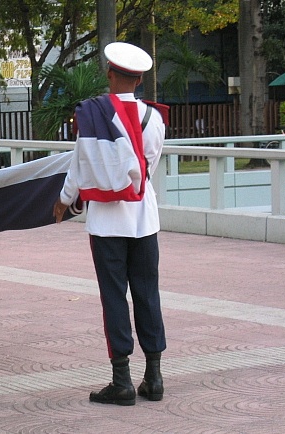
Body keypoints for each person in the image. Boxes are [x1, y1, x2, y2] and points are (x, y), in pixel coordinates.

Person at [53, 42, 167, 405]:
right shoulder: (155, 118)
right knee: (147, 294)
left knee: (114, 297)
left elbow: (82, 163)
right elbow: (149, 167)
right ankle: (155, 376)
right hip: (143, 218)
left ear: (110, 74)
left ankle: (122, 381)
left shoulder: (94, 113)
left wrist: (64, 199)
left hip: (106, 222)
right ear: (139, 79)